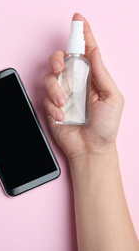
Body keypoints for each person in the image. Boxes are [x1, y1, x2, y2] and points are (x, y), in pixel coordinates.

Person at [43, 13, 139, 251]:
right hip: (86, 150)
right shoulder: (72, 64)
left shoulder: (84, 64)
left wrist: (96, 149)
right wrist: (91, 153)